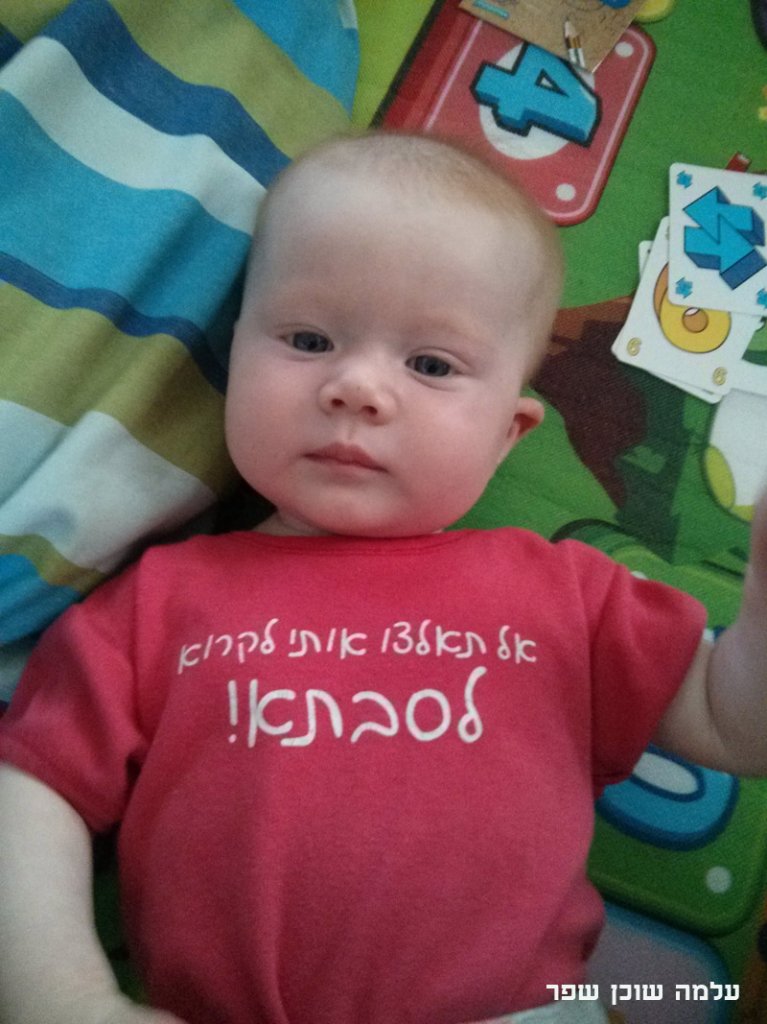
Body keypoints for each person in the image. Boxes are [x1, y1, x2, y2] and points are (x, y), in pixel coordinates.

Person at [0, 130, 765, 1024]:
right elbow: (33, 786)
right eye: (309, 338)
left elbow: (731, 725)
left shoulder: (562, 592)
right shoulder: (156, 601)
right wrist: (66, 998)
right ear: (233, 355)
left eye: (431, 364)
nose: (357, 386)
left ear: (507, 434)